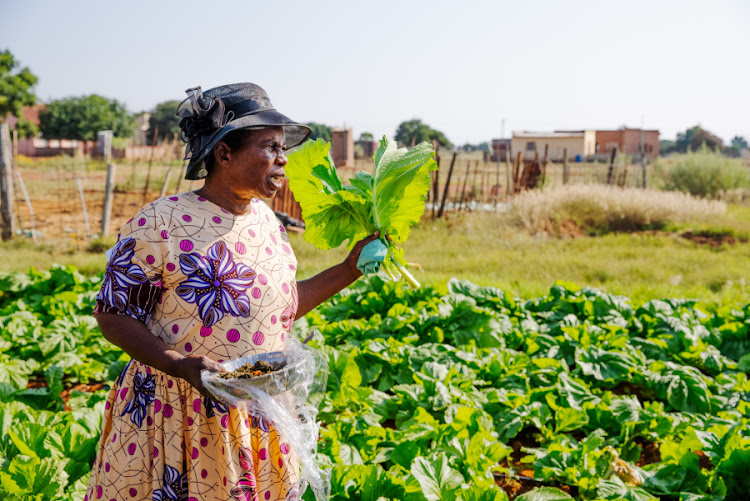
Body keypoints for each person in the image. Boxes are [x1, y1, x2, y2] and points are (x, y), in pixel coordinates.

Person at [84, 83, 378, 501]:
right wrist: (181, 363)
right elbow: (112, 314)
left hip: (256, 411)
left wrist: (350, 269)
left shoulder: (266, 221)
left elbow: (279, 309)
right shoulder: (160, 221)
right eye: (270, 146)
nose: (283, 158)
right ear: (223, 154)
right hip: (177, 416)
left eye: (283, 147)